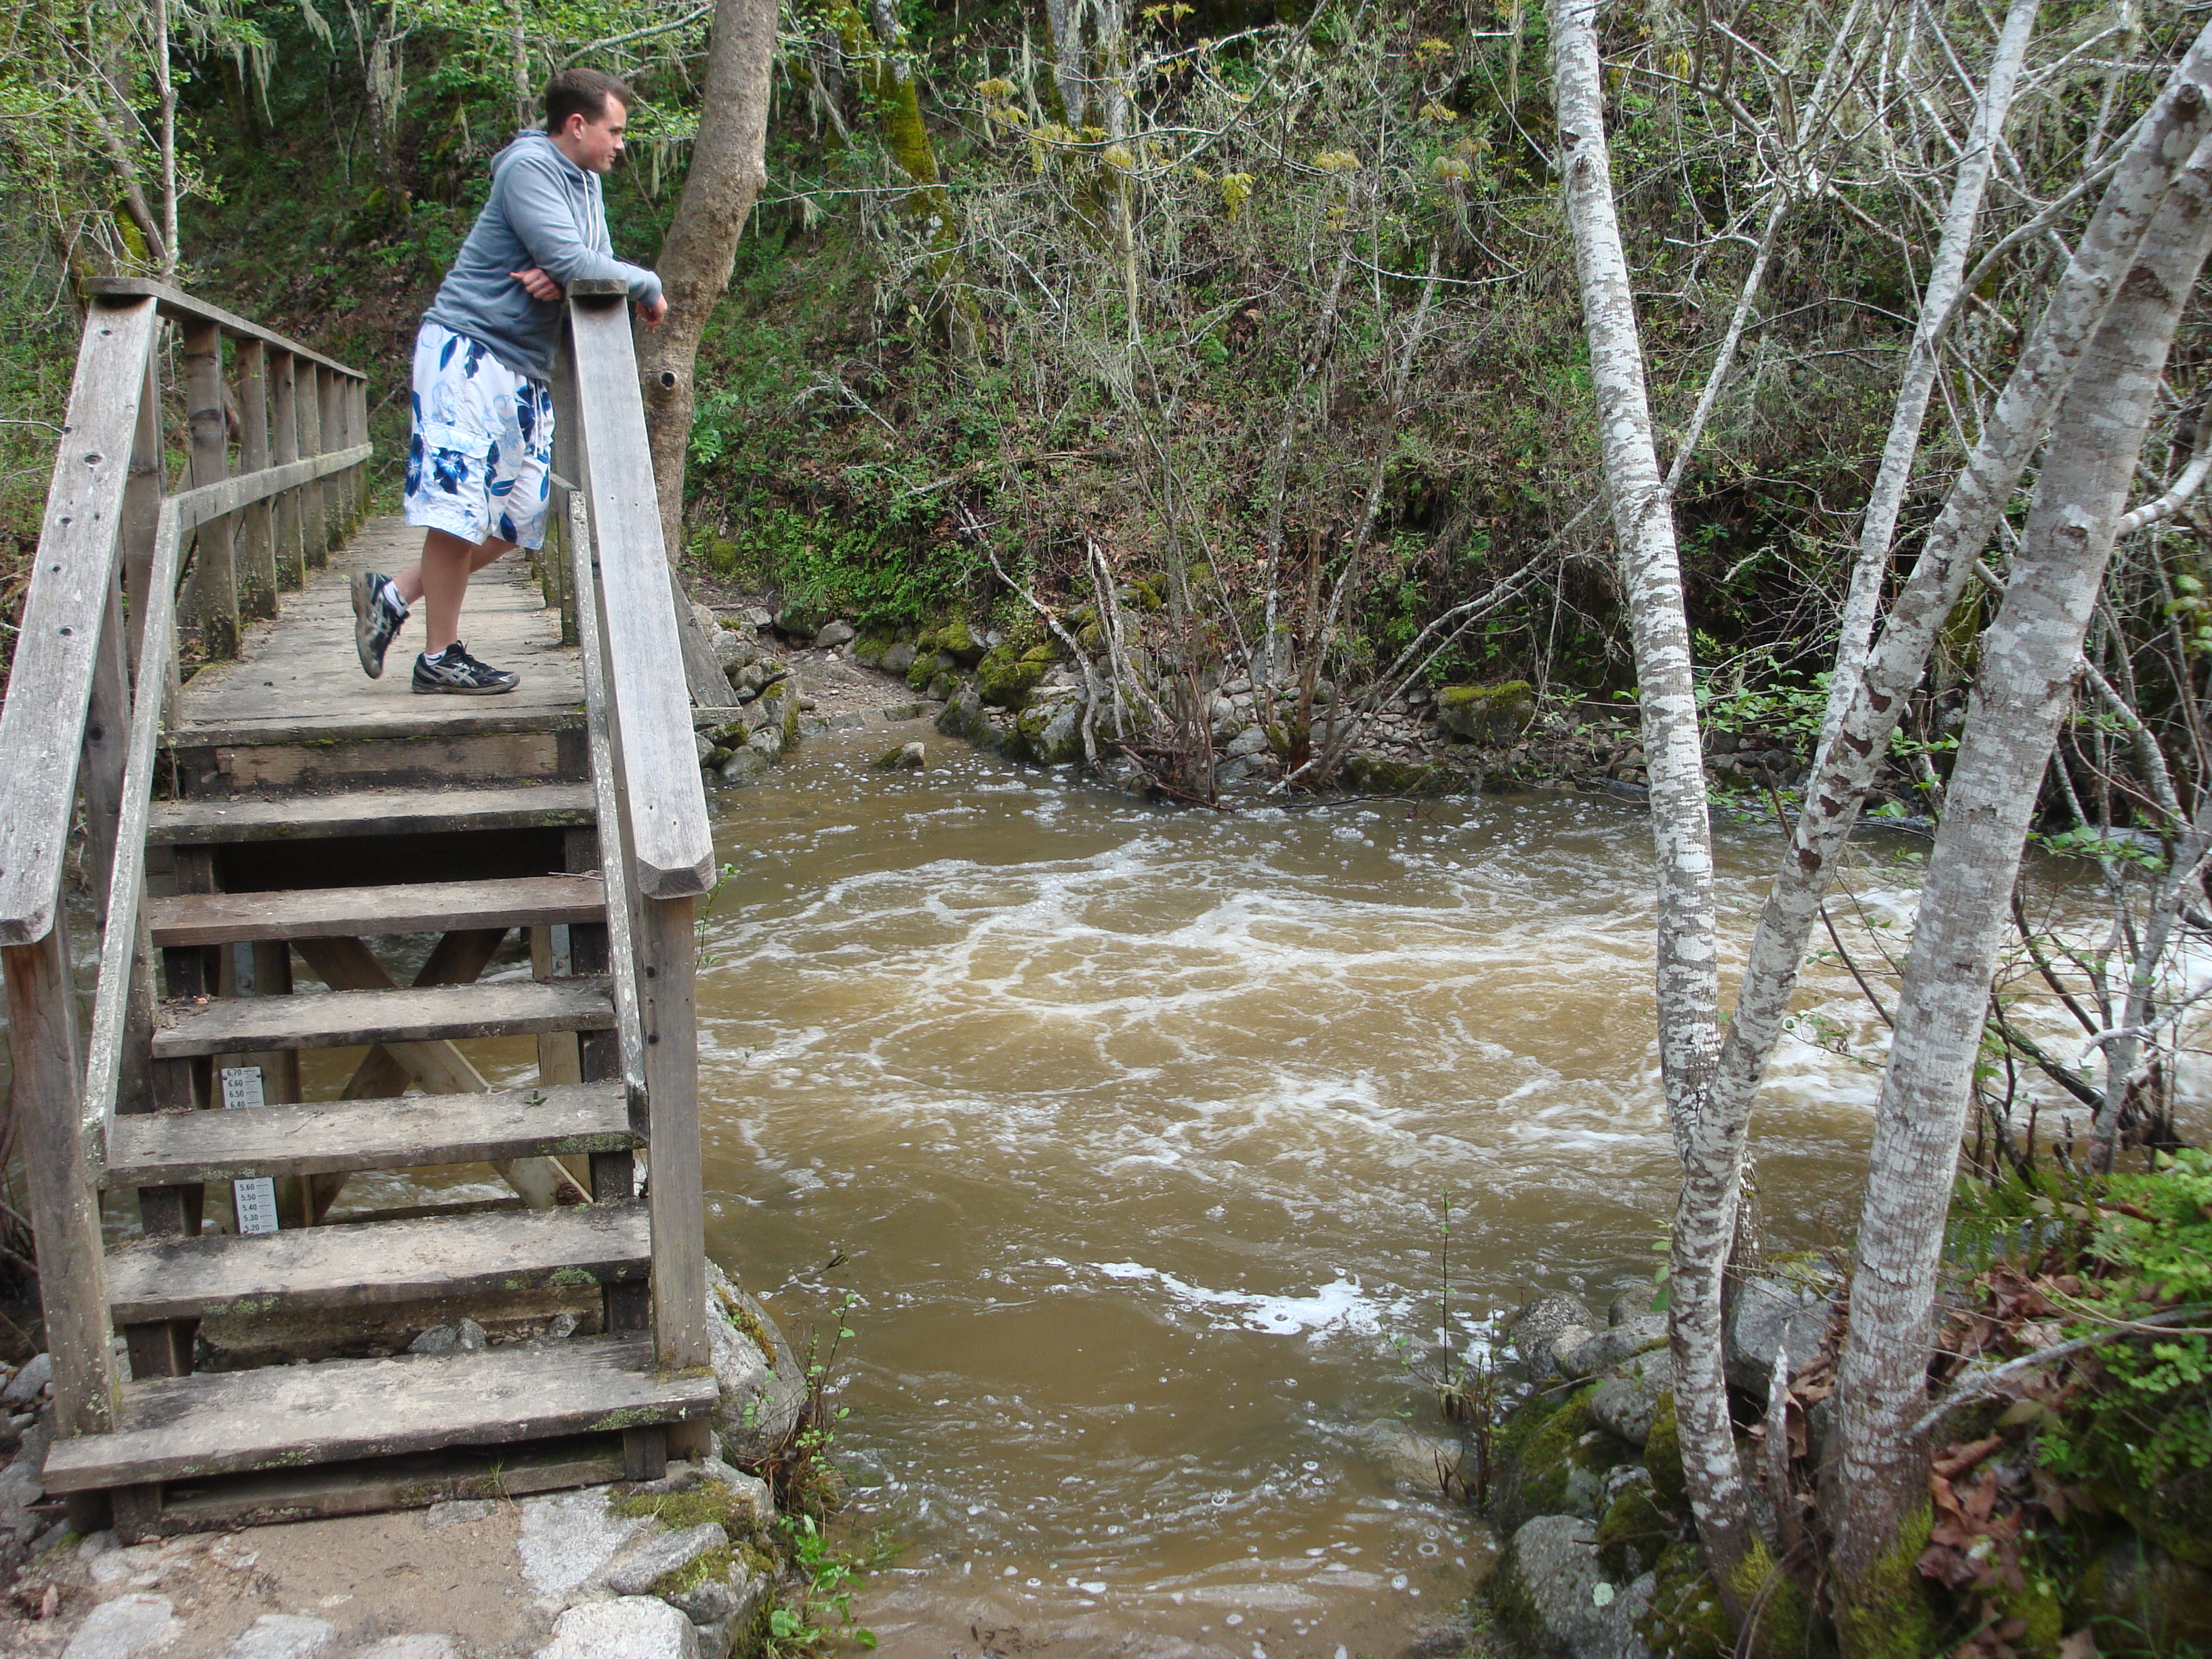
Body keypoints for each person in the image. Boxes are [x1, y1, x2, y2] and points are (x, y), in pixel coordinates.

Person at [352, 66, 668, 693]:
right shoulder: (529, 168)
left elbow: (586, 261)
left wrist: (570, 270)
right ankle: (439, 657)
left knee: (520, 517)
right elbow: (575, 259)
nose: (621, 143)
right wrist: (644, 283)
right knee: (459, 512)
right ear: (576, 125)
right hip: (468, 353)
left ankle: (393, 597)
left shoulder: (585, 182)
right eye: (615, 130)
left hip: (524, 366)